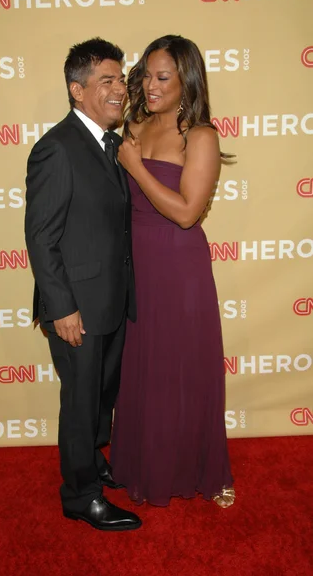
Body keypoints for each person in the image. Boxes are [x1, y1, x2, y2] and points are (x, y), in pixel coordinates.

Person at [110, 34, 235, 508]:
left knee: (183, 369)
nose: (151, 84)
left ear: (188, 82)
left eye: (164, 77)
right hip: (137, 263)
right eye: (146, 75)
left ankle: (201, 469)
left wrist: (138, 168)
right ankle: (144, 465)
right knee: (144, 369)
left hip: (179, 265)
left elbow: (187, 212)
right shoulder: (134, 122)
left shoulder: (200, 135)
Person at [25, 38, 141, 531]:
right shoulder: (57, 148)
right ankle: (80, 496)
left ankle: (93, 463)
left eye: (121, 79)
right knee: (79, 401)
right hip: (75, 308)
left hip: (110, 301)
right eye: (107, 81)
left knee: (99, 397)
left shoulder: (110, 142)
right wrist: (62, 307)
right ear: (77, 90)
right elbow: (40, 237)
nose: (120, 89)